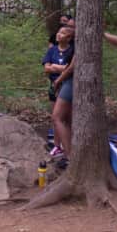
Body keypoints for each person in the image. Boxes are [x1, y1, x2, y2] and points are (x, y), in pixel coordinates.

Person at [45, 25, 75, 162]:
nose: (59, 34)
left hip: (69, 83)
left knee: (57, 117)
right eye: (59, 32)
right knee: (64, 119)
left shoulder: (75, 49)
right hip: (64, 83)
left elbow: (70, 69)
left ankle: (69, 154)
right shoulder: (52, 50)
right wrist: (58, 70)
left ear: (70, 37)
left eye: (63, 33)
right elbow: (47, 67)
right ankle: (65, 149)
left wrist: (58, 80)